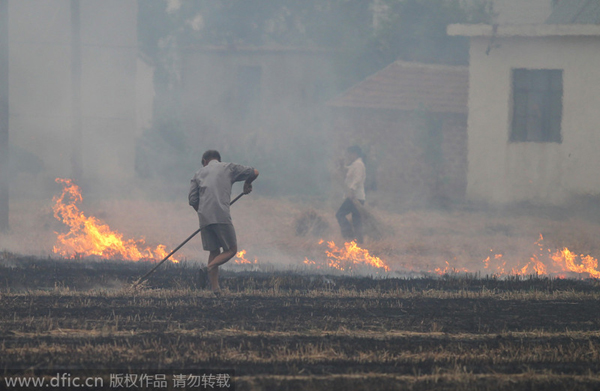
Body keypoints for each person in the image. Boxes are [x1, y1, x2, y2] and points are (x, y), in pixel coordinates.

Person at [188, 150, 259, 293]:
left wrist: (204, 213)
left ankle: (216, 289)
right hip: (221, 215)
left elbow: (192, 200)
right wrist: (247, 183)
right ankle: (206, 268)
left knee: (214, 252)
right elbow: (255, 172)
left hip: (204, 218)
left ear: (205, 161)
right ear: (218, 160)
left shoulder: (198, 174)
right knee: (231, 250)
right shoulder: (228, 168)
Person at [336, 145, 366, 244]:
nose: (348, 156)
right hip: (357, 197)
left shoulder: (358, 165)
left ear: (355, 154)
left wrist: (352, 190)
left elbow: (357, 179)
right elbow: (346, 170)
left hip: (354, 197)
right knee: (357, 221)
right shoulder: (355, 164)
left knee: (340, 214)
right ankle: (359, 242)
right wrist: (341, 165)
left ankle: (349, 235)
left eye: (349, 154)